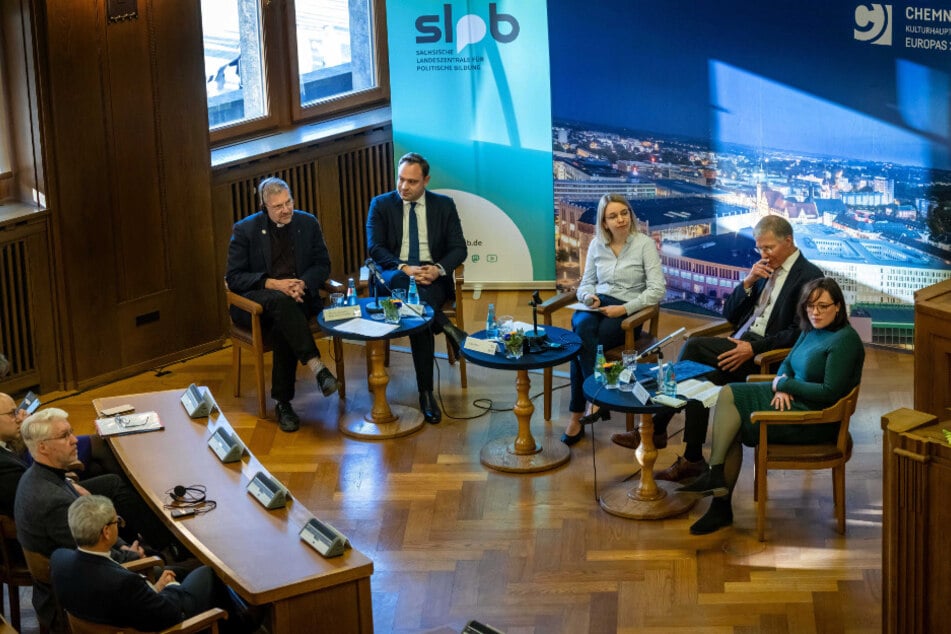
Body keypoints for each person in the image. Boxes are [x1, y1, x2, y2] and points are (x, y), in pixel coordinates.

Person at [611, 215, 824, 481]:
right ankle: (692, 458)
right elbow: (731, 314)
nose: (763, 254)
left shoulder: (810, 276)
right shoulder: (764, 269)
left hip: (765, 358)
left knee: (694, 348)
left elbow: (799, 333)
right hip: (741, 342)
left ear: (789, 241)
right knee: (698, 379)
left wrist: (753, 349)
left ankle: (657, 426)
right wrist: (747, 283)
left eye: (769, 247)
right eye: (759, 248)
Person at [677, 277, 864, 534]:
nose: (815, 312)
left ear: (838, 307)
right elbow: (788, 362)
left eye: (822, 306)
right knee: (729, 395)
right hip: (793, 401)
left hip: (815, 420)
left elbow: (829, 393)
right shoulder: (811, 329)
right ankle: (717, 479)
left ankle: (719, 499)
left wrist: (785, 387)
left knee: (734, 421)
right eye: (810, 306)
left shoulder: (845, 341)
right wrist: (782, 379)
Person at [15, 408, 184, 629]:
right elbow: (92, 554)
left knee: (109, 480)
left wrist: (124, 547)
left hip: (78, 574)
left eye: (71, 432)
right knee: (192, 574)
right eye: (65, 436)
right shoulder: (54, 502)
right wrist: (131, 557)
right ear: (42, 447)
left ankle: (168, 547)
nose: (75, 440)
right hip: (87, 593)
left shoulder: (39, 475)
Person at [226, 176, 340, 432]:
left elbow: (323, 265)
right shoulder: (245, 230)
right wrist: (274, 284)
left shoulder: (307, 223)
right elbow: (234, 278)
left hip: (299, 299)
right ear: (264, 206)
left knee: (285, 321)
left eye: (288, 202)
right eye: (278, 206)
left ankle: (283, 404)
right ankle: (317, 367)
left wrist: (302, 284)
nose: (286, 209)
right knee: (281, 301)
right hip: (257, 304)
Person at [366, 152, 468, 424]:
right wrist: (404, 268)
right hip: (394, 276)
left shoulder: (443, 205)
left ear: (426, 180)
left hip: (430, 278)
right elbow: (374, 248)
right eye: (400, 179)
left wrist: (436, 269)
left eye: (411, 181)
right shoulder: (380, 205)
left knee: (418, 312)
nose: (404, 187)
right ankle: (447, 328)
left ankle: (426, 392)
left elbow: (459, 248)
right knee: (411, 297)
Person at [560, 194, 665, 445]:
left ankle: (578, 415)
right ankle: (597, 399)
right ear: (604, 222)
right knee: (582, 329)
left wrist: (625, 309)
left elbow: (657, 290)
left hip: (628, 310)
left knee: (579, 345)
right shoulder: (597, 244)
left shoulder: (644, 244)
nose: (620, 219)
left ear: (630, 215)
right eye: (613, 216)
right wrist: (587, 298)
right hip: (598, 304)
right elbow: (586, 283)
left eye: (624, 213)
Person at [51, 495, 221, 631]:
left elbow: (134, 601)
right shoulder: (125, 584)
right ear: (106, 532)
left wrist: (155, 589)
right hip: (160, 622)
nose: (119, 524)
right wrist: (170, 587)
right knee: (207, 572)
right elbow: (169, 615)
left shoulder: (59, 559)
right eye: (116, 521)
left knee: (180, 571)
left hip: (115, 612)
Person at [0, 392, 124, 516]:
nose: (17, 418)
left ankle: (121, 523)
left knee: (95, 467)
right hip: (52, 502)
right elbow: (31, 499)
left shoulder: (5, 444)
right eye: (12, 413)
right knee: (114, 482)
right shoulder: (5, 465)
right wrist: (66, 480)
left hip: (48, 479)